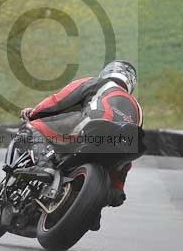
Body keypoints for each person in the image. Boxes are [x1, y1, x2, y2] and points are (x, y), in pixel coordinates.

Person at [17, 60, 143, 210]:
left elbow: (59, 101)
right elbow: (127, 157)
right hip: (120, 146)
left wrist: (34, 113)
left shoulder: (97, 83)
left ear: (107, 72)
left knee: (31, 127)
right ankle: (95, 210)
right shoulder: (138, 108)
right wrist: (118, 187)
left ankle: (45, 167)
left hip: (89, 127)